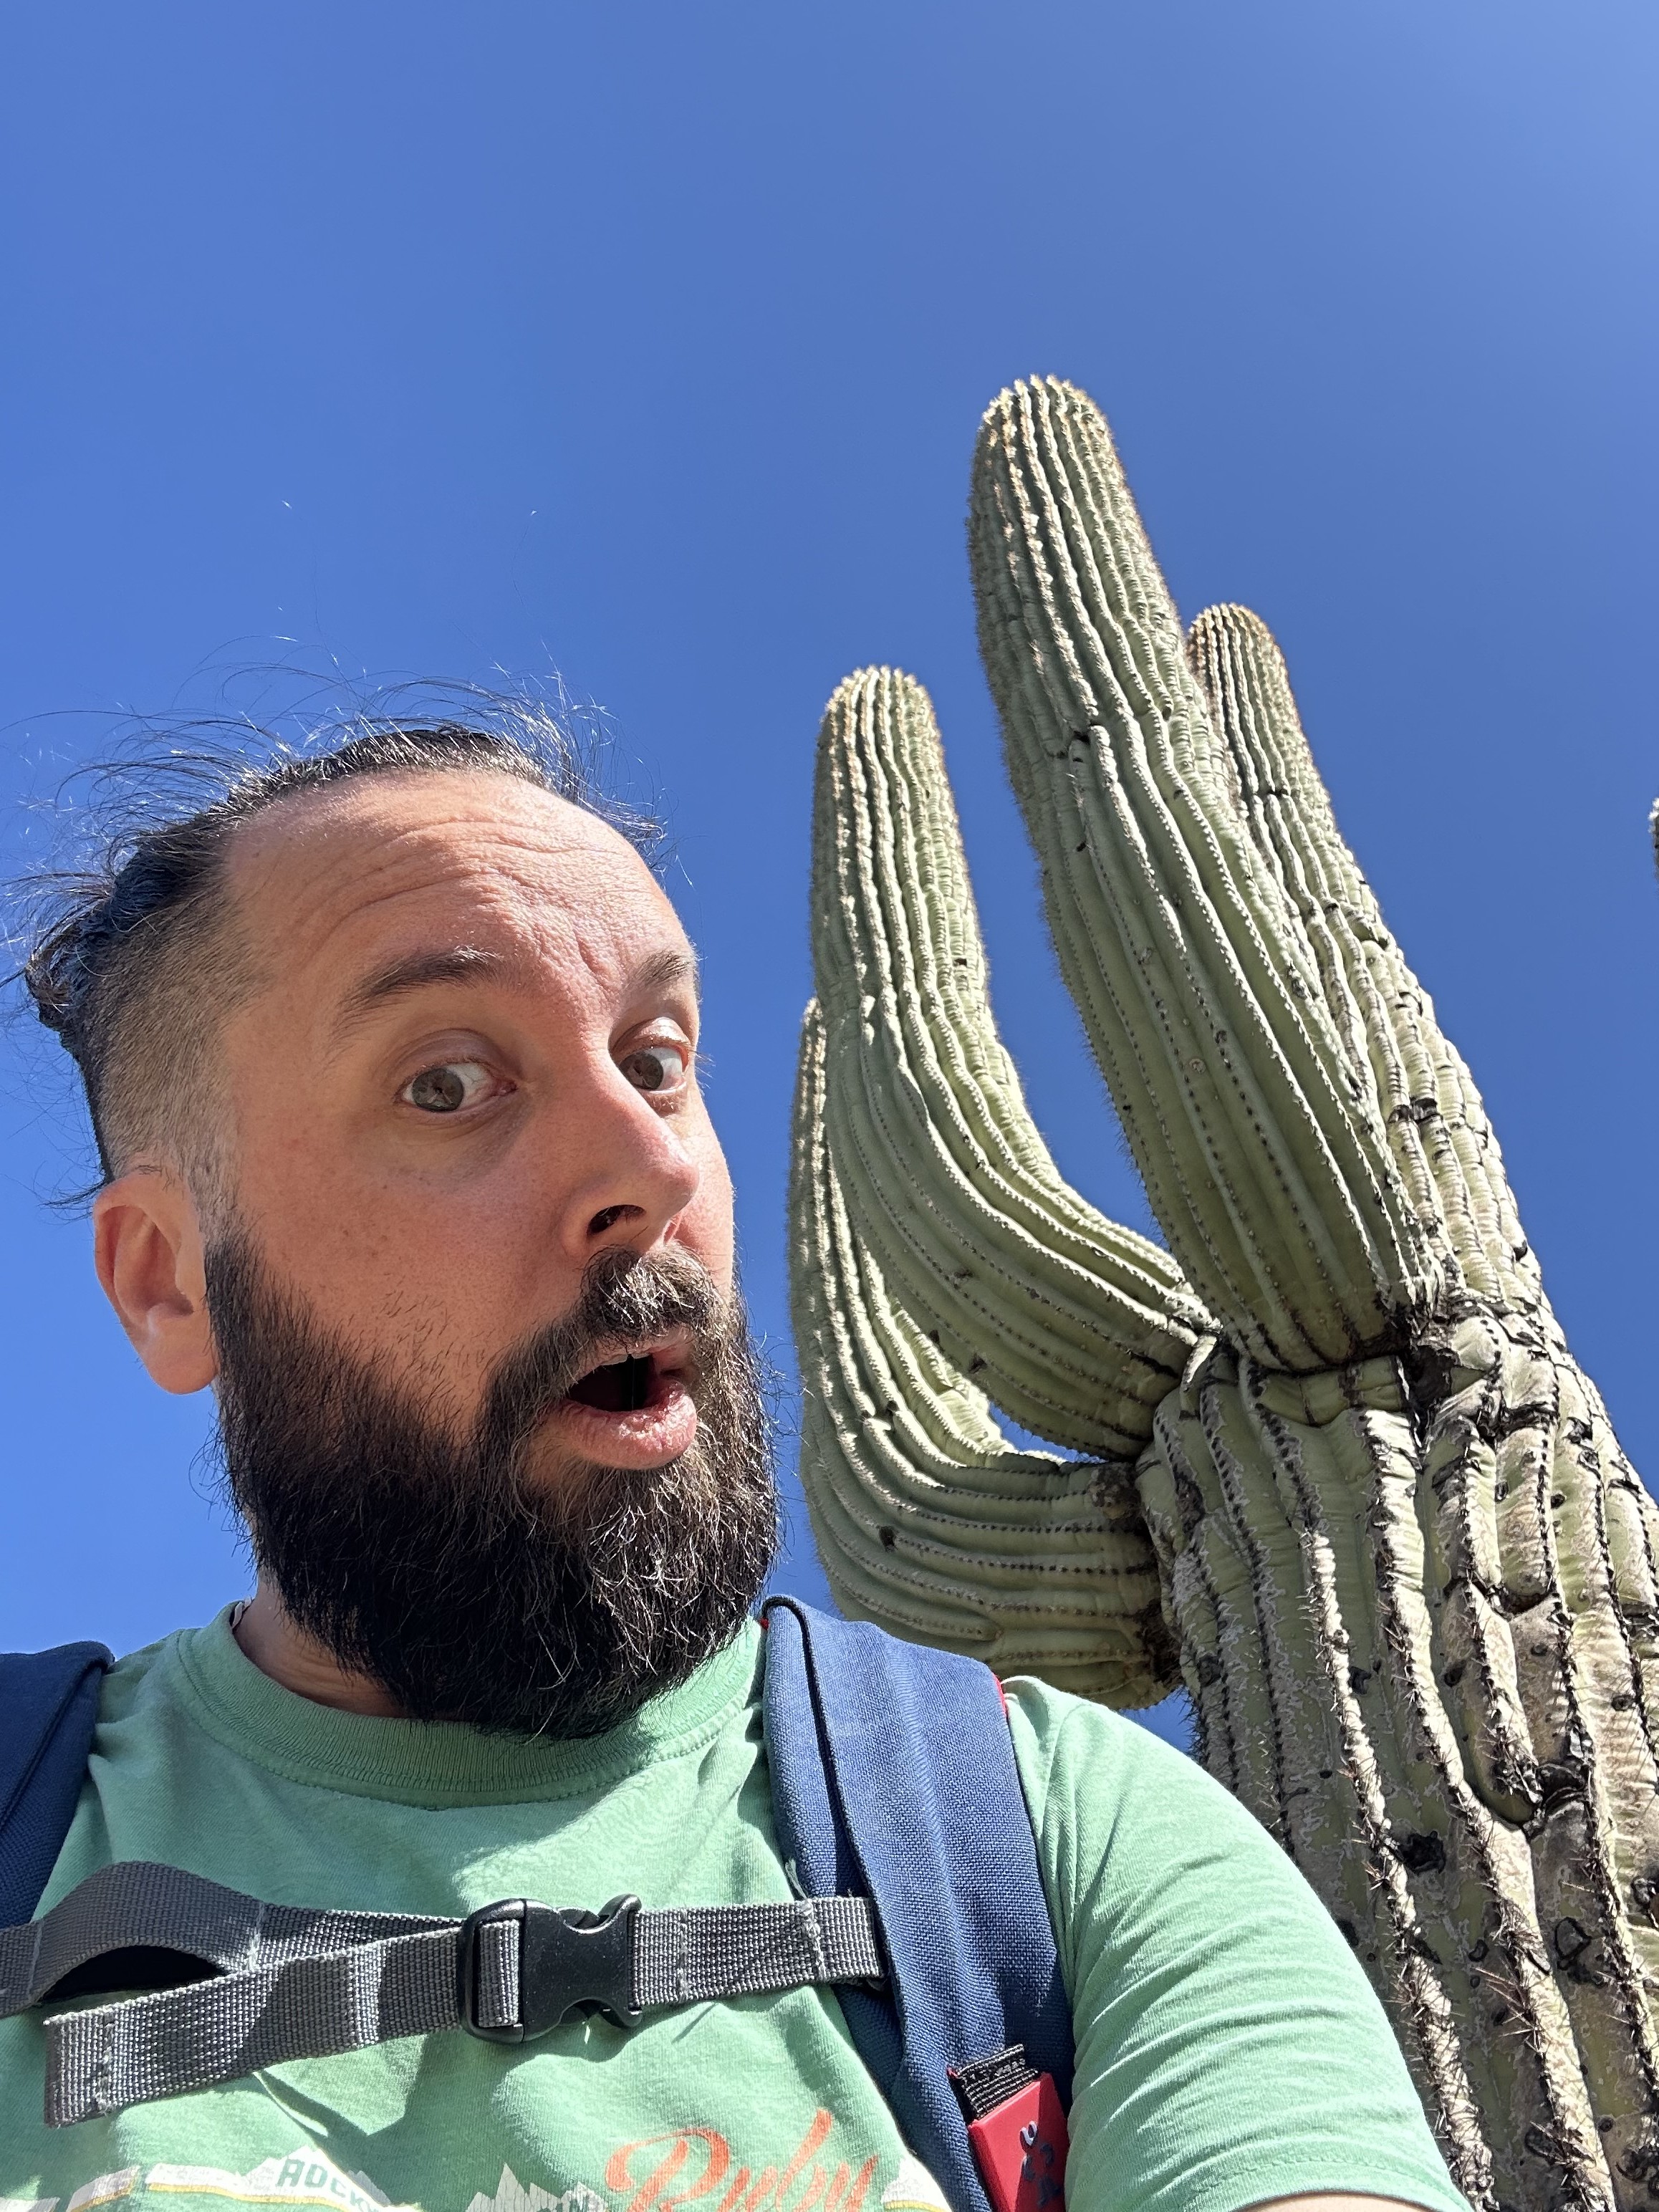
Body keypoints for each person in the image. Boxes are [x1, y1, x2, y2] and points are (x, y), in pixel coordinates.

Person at [1, 719, 1466, 2212]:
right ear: (171, 1279)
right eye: (448, 1081)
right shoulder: (27, 1814)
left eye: (657, 1057)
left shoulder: (1056, 1828)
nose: (652, 1164)